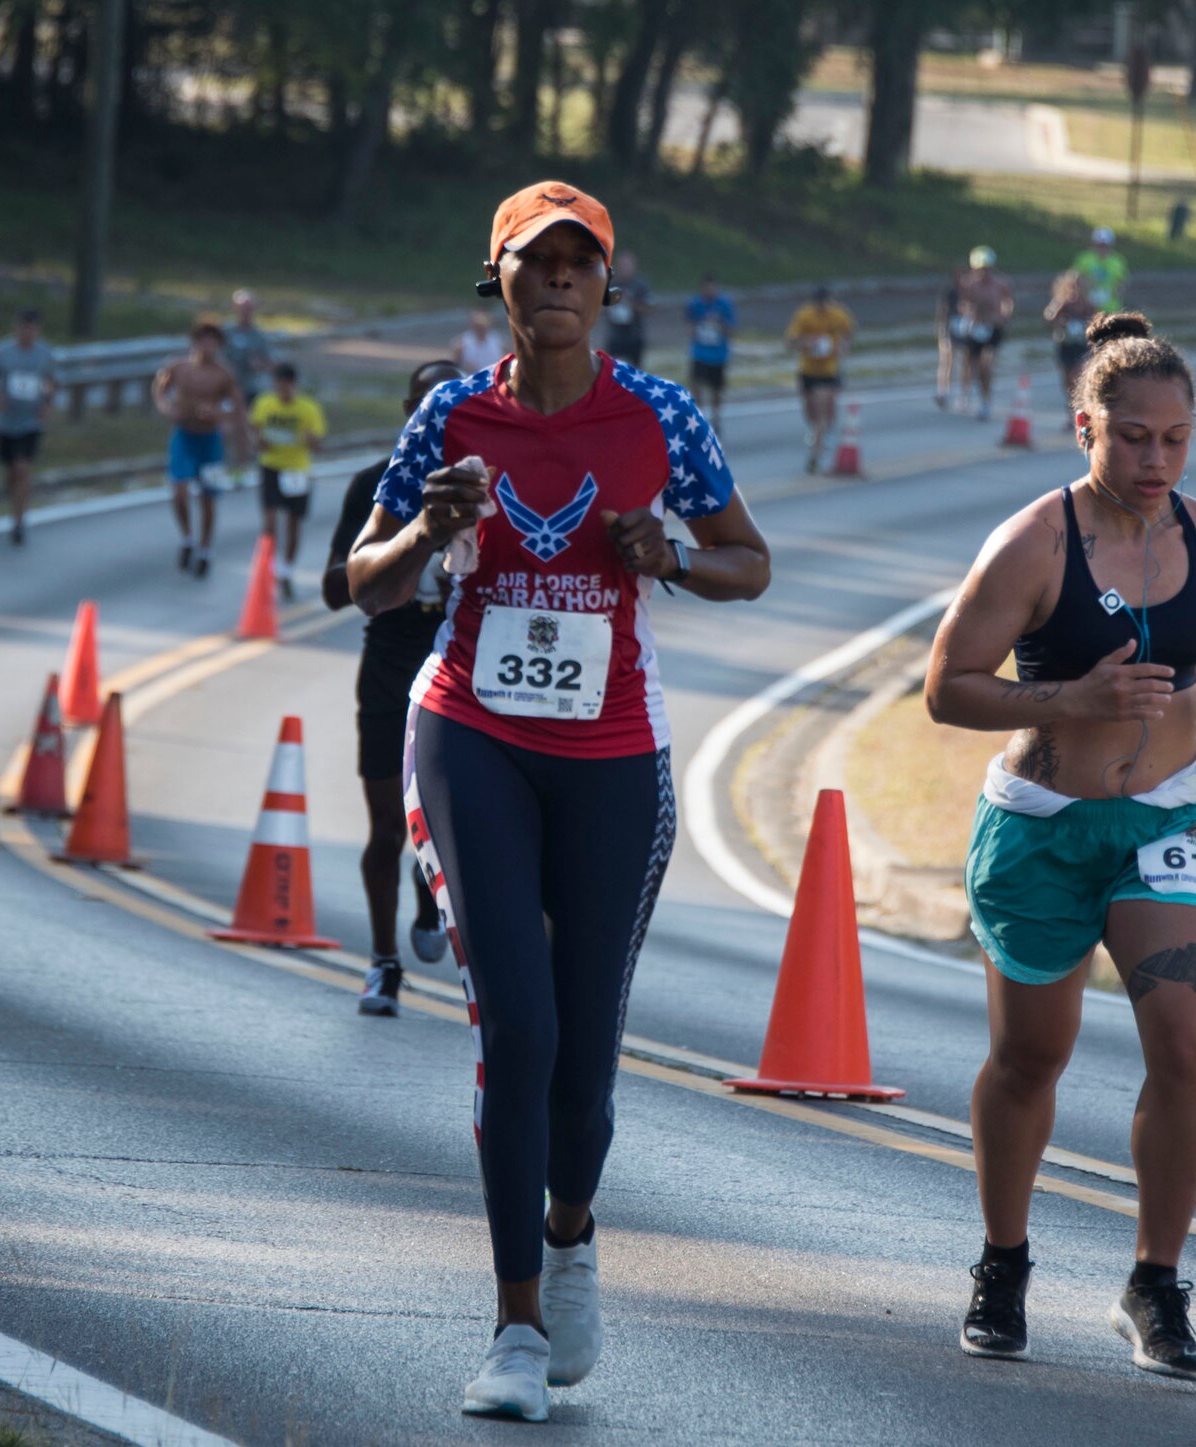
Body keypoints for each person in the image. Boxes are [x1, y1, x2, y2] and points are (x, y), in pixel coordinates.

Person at [344, 180, 771, 1422]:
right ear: (503, 285)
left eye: (579, 267)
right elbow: (363, 588)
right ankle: (516, 1325)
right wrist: (423, 531)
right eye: (535, 267)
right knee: (515, 1032)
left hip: (611, 755)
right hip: (471, 732)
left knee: (583, 1059)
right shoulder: (452, 414)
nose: (558, 286)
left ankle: (571, 1233)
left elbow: (751, 560)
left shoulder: (661, 416)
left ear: (605, 287)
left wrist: (674, 558)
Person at [925, 311, 1196, 1384]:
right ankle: (1002, 1261)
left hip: (1170, 814)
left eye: (1173, 438)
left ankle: (1154, 1284)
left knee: (1184, 1043)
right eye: (1132, 437)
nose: (1154, 458)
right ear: (1085, 427)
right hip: (1040, 823)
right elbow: (945, 688)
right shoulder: (1032, 544)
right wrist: (1069, 695)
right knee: (1032, 1055)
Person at [321, 359, 462, 1015]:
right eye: (424, 405)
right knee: (386, 828)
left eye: (452, 404)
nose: (436, 417)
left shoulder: (494, 485)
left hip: (461, 668)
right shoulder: (373, 485)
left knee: (452, 825)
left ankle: (432, 889)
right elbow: (334, 586)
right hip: (389, 662)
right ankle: (382, 966)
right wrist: (397, 553)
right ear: (408, 412)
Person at [152, 321, 247, 576]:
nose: (208, 346)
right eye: (203, 340)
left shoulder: (223, 375)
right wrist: (167, 408)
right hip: (184, 437)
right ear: (195, 342)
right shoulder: (178, 368)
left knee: (208, 498)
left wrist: (220, 417)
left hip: (210, 443)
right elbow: (160, 389)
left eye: (213, 341)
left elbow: (235, 409)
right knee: (179, 492)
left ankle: (205, 550)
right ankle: (187, 539)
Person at [249, 363, 327, 599]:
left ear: (294, 385)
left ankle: (287, 570)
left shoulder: (308, 408)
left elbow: (319, 445)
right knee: (270, 521)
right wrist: (257, 441)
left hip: (297, 470)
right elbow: (253, 429)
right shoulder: (264, 404)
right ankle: (268, 567)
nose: (283, 391)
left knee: (294, 522)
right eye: (279, 386)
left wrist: (311, 439)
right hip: (271, 466)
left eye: (287, 387)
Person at [0, 307, 58, 546]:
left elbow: (53, 381)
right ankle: (13, 498)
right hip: (6, 421)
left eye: (31, 328)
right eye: (23, 327)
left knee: (22, 467)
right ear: (16, 327)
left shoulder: (45, 354)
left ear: (37, 330)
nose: (27, 332)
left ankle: (19, 521)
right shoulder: (1, 352)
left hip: (31, 421)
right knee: (11, 470)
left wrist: (47, 403)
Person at [786, 284, 855, 473]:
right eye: (819, 304)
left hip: (829, 370)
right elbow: (790, 341)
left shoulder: (839, 314)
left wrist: (843, 346)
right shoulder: (804, 315)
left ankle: (815, 454)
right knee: (810, 411)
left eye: (826, 303)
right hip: (808, 370)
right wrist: (805, 343)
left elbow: (848, 332)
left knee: (822, 411)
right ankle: (819, 434)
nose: (823, 308)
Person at [958, 246, 1014, 422]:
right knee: (969, 362)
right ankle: (966, 393)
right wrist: (969, 312)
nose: (984, 273)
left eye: (987, 269)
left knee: (986, 363)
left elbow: (1008, 302)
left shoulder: (1000, 284)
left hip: (993, 327)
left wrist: (1004, 315)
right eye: (981, 269)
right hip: (976, 327)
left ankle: (986, 400)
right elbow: (962, 304)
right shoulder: (969, 284)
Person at [224, 289, 273, 485]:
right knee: (228, 428)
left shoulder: (258, 336)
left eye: (249, 308)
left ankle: (244, 467)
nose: (246, 312)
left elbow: (269, 361)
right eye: (242, 308)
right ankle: (227, 465)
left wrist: (258, 364)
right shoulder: (227, 332)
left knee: (248, 428)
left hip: (251, 388)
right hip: (229, 389)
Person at [685, 273, 735, 430]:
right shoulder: (695, 304)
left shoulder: (724, 305)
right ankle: (699, 417)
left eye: (712, 288)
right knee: (696, 384)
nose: (709, 291)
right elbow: (690, 324)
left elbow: (731, 328)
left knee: (716, 390)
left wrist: (718, 324)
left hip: (718, 354)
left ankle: (716, 416)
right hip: (700, 352)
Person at [1044, 270, 1095, 399]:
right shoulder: (1063, 303)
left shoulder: (1088, 305)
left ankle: (1080, 400)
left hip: (1082, 344)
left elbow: (1095, 322)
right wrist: (1060, 323)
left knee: (1077, 373)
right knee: (1067, 376)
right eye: (1073, 286)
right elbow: (1049, 318)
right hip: (1066, 343)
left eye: (1079, 286)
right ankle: (1070, 405)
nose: (1076, 290)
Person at [600, 250, 652, 367]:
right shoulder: (610, 284)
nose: (625, 268)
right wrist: (611, 306)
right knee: (611, 369)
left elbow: (649, 308)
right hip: (615, 335)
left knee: (636, 371)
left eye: (627, 265)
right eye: (622, 265)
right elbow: (600, 307)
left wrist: (631, 305)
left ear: (634, 266)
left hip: (635, 335)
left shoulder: (640, 285)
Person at [1073, 226, 1130, 315]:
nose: (1102, 248)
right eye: (1099, 245)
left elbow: (1122, 284)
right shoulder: (1084, 259)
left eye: (1105, 245)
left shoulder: (1118, 262)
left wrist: (1115, 292)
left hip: (1111, 309)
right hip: (1087, 308)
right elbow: (1075, 280)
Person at [937, 263, 970, 411]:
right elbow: (942, 310)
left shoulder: (971, 291)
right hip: (950, 327)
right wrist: (941, 329)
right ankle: (943, 391)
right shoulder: (950, 290)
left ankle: (963, 394)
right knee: (947, 360)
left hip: (965, 328)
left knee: (964, 362)